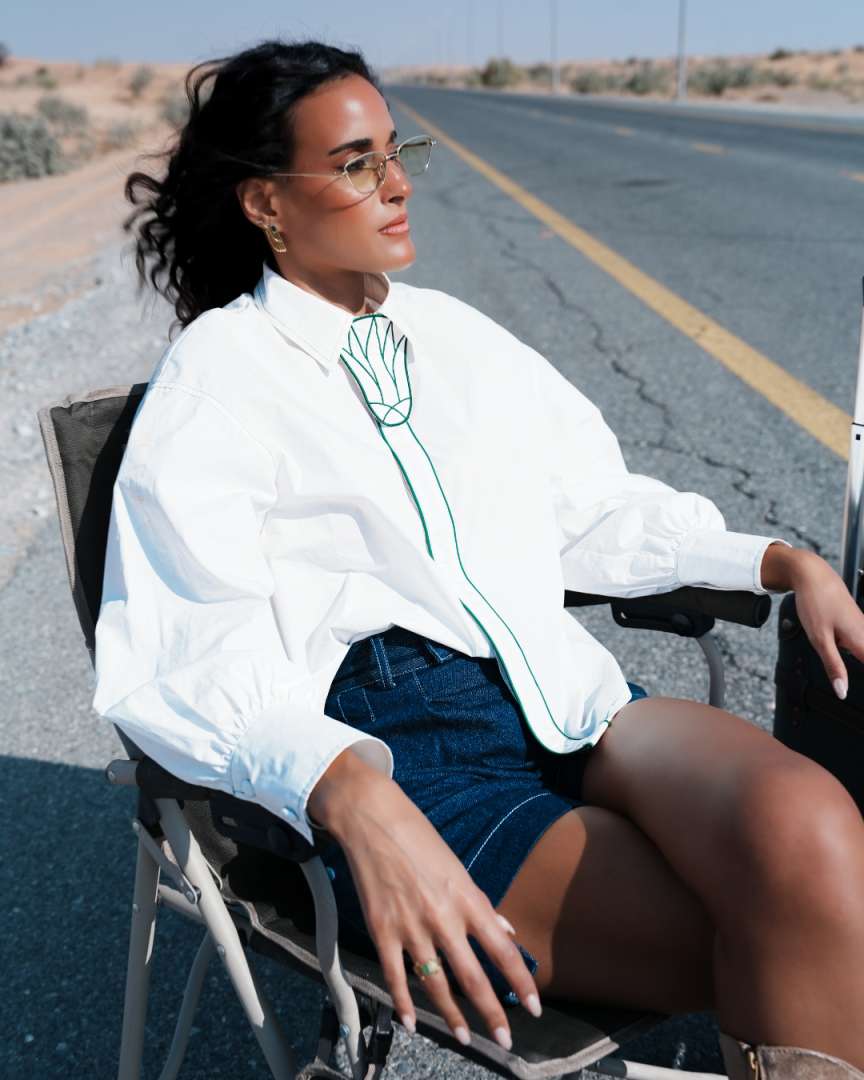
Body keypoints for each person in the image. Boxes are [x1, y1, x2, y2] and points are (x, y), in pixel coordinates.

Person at [93, 37, 864, 1077]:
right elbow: (186, 647)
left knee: (814, 836)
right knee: (777, 930)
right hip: (404, 745)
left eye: (395, 149)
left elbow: (583, 505)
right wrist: (348, 792)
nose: (398, 183)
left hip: (563, 689)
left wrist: (778, 561)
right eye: (356, 163)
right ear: (266, 202)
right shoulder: (218, 378)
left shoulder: (456, 334)